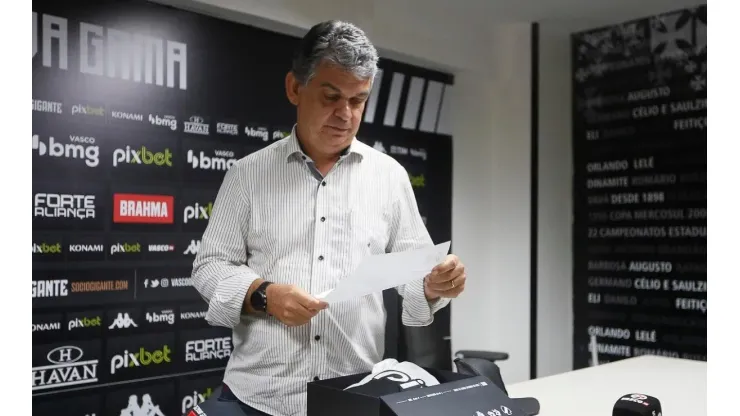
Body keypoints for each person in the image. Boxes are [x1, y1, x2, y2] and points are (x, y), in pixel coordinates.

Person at [191, 20, 467, 416]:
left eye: (358, 101)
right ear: (295, 88)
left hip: (354, 393)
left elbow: (414, 273)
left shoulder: (389, 176)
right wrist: (266, 296)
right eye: (331, 96)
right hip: (260, 396)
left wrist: (435, 283)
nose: (345, 114)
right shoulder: (247, 175)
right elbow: (209, 267)